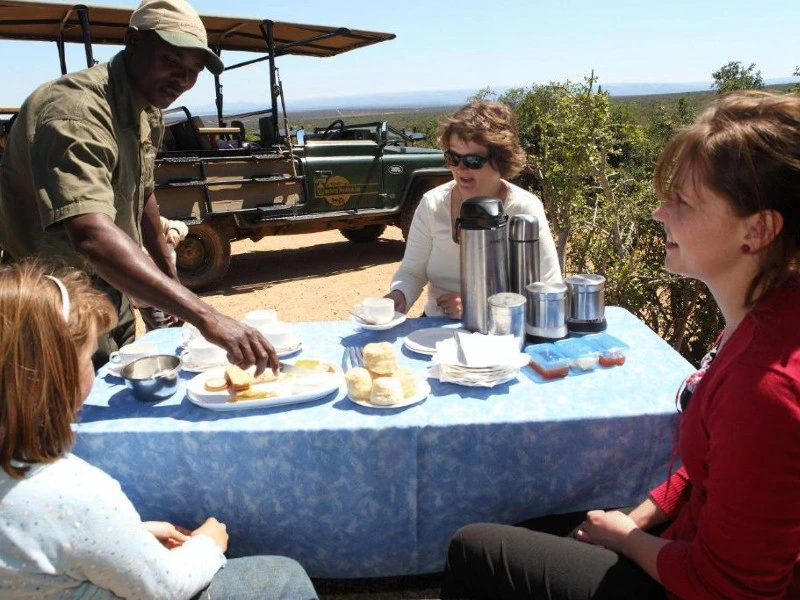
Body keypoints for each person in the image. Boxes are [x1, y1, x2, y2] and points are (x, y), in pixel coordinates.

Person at [440, 90, 800, 599]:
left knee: (473, 548)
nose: (659, 214)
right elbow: (706, 473)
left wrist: (628, 539)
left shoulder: (766, 388)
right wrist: (642, 514)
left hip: (693, 586)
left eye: (683, 203)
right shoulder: (763, 315)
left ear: (758, 230)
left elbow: (728, 585)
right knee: (530, 527)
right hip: (684, 541)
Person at [0, 261, 318, 600]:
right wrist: (207, 545)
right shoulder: (77, 493)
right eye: (91, 358)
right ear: (58, 375)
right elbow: (166, 587)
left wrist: (128, 534)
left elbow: (48, 543)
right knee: (285, 576)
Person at [0, 0, 277, 374]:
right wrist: (206, 316)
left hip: (113, 288)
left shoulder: (147, 109)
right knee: (66, 418)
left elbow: (142, 193)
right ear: (132, 41)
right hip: (54, 302)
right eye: (172, 60)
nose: (183, 79)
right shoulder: (76, 111)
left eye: (193, 70)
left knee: (121, 392)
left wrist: (169, 282)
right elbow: (90, 235)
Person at [385, 100, 561, 319]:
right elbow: (412, 271)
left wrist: (478, 306)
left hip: (503, 331)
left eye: (473, 160)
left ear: (502, 160)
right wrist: (399, 294)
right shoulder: (432, 204)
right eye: (453, 157)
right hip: (435, 330)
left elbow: (548, 288)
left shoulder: (524, 209)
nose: (460, 168)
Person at [138, 216, 188, 330]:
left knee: (174, 330)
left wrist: (174, 231)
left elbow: (181, 225)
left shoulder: (154, 221)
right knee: (164, 332)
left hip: (171, 292)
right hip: (152, 299)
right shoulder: (132, 230)